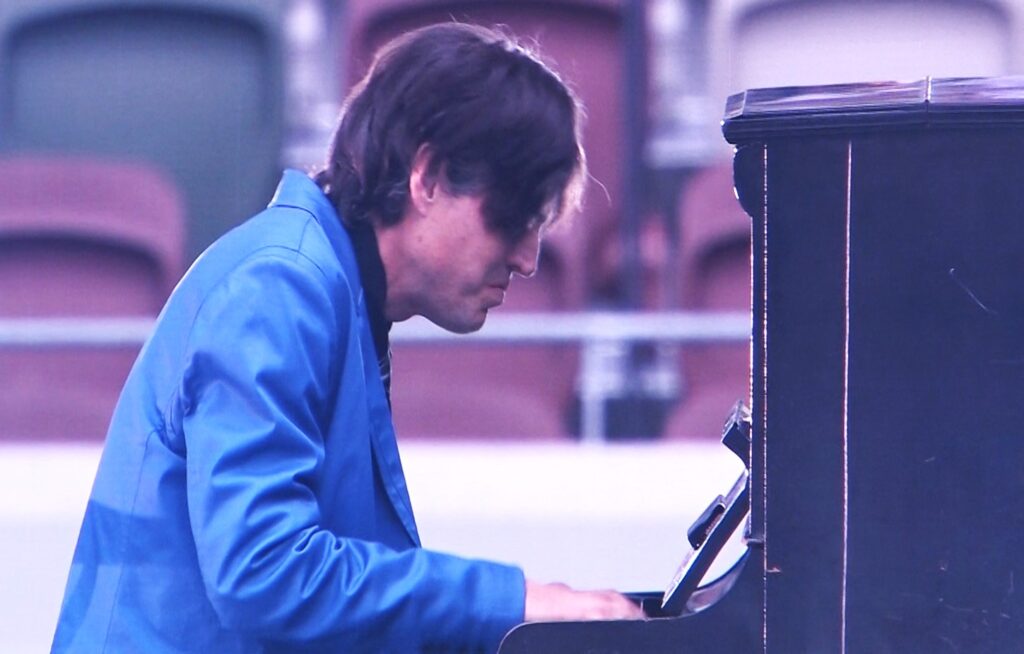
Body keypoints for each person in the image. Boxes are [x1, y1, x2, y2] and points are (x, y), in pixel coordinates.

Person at [51, 21, 644, 654]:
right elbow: (265, 574)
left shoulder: (326, 286)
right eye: (514, 219)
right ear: (430, 178)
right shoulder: (278, 288)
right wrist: (511, 602)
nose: (528, 258)